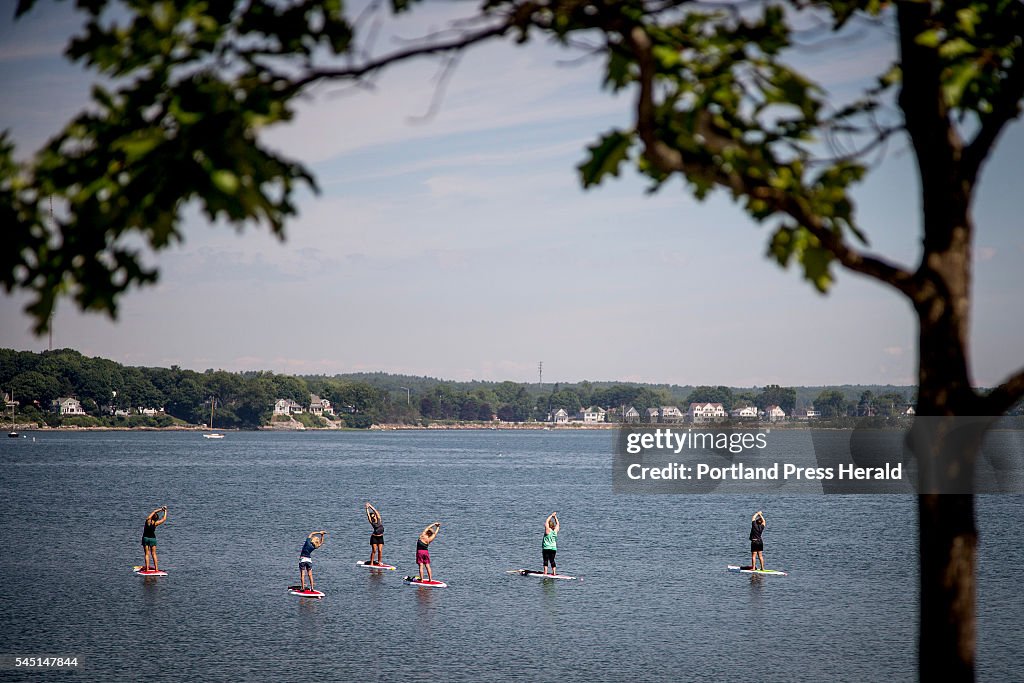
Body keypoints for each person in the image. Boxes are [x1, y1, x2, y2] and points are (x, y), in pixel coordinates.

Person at [141, 506, 168, 571]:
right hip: (152, 539)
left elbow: (154, 511)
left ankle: (147, 569)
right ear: (156, 519)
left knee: (147, 554)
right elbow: (164, 519)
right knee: (154, 553)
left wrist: (161, 509)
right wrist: (165, 511)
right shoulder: (156, 523)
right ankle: (156, 569)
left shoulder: (147, 520)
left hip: (145, 538)